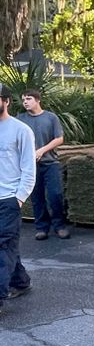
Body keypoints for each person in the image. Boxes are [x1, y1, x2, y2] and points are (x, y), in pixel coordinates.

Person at [0, 83, 35, 314]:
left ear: (6, 101)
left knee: (3, 245)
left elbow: (29, 169)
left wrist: (19, 198)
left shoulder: (21, 130)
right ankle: (20, 281)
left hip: (9, 199)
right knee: (9, 246)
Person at [18, 89, 69, 240]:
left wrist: (41, 150)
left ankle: (59, 226)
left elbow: (59, 139)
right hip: (30, 166)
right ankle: (41, 228)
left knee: (55, 195)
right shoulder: (20, 119)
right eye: (23, 100)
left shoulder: (51, 117)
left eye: (28, 99)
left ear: (38, 100)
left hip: (51, 163)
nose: (25, 102)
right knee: (36, 197)